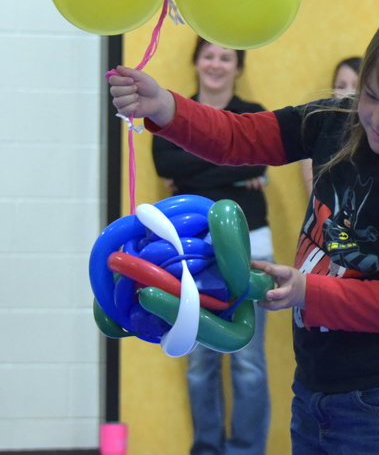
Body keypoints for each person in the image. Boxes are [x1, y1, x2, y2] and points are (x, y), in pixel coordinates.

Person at [107, 2, 379, 455]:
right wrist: (166, 107)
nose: (377, 119)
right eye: (372, 96)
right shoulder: (333, 120)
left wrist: (307, 292)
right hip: (314, 385)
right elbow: (240, 137)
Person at [151, 38, 272, 455]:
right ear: (196, 62)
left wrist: (195, 175)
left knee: (248, 363)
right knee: (200, 361)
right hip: (190, 251)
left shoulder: (254, 116)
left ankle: (246, 450)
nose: (217, 64)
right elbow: (166, 163)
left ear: (238, 67)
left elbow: (258, 161)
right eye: (209, 56)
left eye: (227, 57)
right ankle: (206, 448)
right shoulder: (173, 115)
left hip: (252, 246)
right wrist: (232, 169)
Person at [301, 57, 362, 197]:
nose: (348, 93)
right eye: (341, 86)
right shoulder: (315, 138)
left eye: (356, 86)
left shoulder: (378, 138)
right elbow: (315, 199)